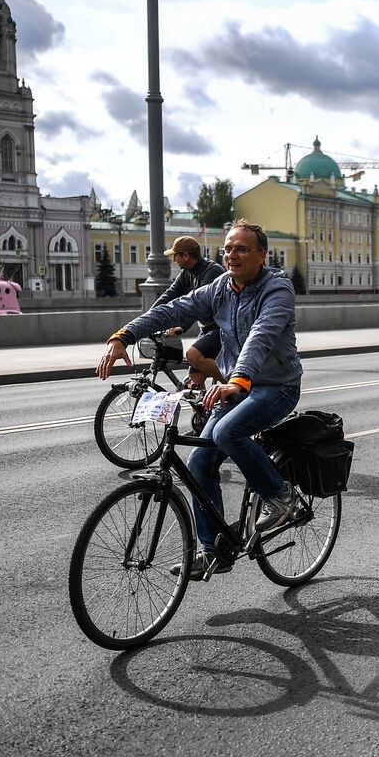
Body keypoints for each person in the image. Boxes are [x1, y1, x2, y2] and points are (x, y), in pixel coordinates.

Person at [96, 219, 303, 580]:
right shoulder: (221, 287)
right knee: (199, 461)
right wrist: (124, 335)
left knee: (227, 434)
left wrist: (237, 379)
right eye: (227, 249)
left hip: (275, 386)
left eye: (240, 248)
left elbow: (262, 335)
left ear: (261, 254)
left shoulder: (277, 289)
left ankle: (280, 494)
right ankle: (213, 550)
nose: (231, 255)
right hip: (236, 385)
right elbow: (172, 310)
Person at [150, 236, 224, 385]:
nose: (173, 260)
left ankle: (237, 385)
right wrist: (147, 319)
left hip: (222, 328)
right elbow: (169, 296)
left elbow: (198, 305)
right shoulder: (186, 274)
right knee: (193, 383)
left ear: (186, 255)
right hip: (206, 329)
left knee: (193, 355)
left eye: (175, 256)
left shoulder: (212, 272)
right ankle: (202, 409)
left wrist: (182, 326)